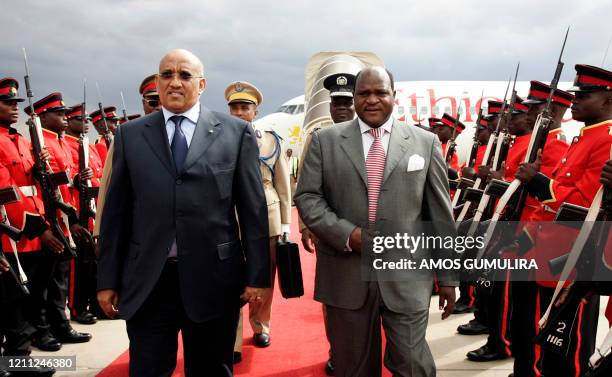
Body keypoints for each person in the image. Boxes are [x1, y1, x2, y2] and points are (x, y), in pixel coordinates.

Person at [97, 49, 271, 377]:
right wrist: (106, 279)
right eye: (167, 74)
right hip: (148, 282)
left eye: (185, 75)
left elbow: (253, 213)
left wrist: (258, 276)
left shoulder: (234, 133)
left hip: (214, 281)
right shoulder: (130, 135)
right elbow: (115, 215)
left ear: (201, 84)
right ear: (159, 82)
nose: (174, 82)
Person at [295, 66, 457, 377]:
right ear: (354, 99)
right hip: (346, 275)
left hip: (407, 275)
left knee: (413, 366)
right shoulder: (324, 142)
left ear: (394, 97)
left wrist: (448, 277)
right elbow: (308, 198)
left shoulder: (425, 143)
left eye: (380, 92)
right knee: (353, 368)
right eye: (364, 93)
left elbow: (439, 215)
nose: (372, 100)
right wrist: (348, 235)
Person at [515, 64, 612, 377]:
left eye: (585, 94)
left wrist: (540, 184)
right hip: (551, 253)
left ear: (608, 100)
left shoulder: (606, 140)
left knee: (567, 348)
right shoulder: (583, 139)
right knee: (550, 348)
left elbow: (585, 204)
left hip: (575, 258)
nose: (575, 99)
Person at [224, 81, 291, 361]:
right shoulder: (218, 138)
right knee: (230, 281)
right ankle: (233, 340)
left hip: (268, 216)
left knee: (264, 277)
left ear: (256, 110)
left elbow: (283, 185)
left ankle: (261, 325)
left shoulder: (271, 139)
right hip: (229, 219)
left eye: (245, 107)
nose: (239, 112)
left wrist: (286, 225)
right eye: (234, 107)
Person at [299, 72, 356, 376]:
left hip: (370, 236)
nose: (342, 108)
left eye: (347, 102)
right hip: (330, 234)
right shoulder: (317, 137)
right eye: (337, 103)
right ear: (330, 107)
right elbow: (306, 188)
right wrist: (307, 226)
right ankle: (337, 349)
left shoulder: (373, 136)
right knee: (334, 298)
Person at [0, 77, 57, 376]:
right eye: (8, 103)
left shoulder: (19, 139)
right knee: (9, 298)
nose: (14, 108)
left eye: (16, 103)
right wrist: (37, 228)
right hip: (10, 230)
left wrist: (39, 169)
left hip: (25, 231)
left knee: (19, 299)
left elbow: (28, 186)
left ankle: (17, 358)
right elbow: (5, 191)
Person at [63, 104, 104, 324]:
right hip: (78, 210)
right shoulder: (66, 145)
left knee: (93, 263)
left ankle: (95, 304)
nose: (86, 121)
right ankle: (78, 307)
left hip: (94, 210)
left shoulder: (90, 147)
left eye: (87, 118)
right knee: (79, 266)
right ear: (69, 121)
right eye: (80, 118)